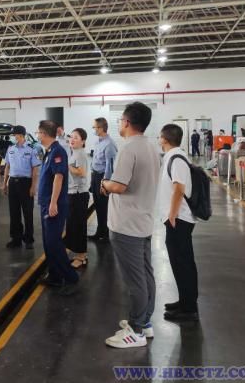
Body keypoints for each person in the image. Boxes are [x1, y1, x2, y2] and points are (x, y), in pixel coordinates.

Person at [101, 102, 160, 349]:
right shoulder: (151, 147)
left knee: (135, 280)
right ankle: (144, 322)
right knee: (146, 275)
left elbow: (119, 185)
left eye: (120, 120)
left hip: (126, 225)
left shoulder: (128, 149)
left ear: (126, 122)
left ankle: (135, 330)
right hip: (143, 221)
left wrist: (104, 184)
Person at [158, 124, 200, 322]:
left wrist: (173, 215)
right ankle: (184, 300)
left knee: (183, 262)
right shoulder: (173, 156)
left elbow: (179, 189)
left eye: (160, 136)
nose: (159, 139)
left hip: (179, 219)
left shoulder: (176, 159)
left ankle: (189, 308)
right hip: (176, 218)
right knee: (179, 262)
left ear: (164, 139)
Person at [36, 120, 79, 293]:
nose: (37, 135)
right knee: (48, 242)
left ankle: (70, 278)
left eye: (38, 132)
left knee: (54, 242)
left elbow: (58, 177)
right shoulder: (49, 151)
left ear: (44, 134)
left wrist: (53, 202)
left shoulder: (57, 151)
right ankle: (54, 275)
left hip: (53, 204)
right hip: (46, 203)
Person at [3, 125, 41, 249]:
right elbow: (7, 166)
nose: (13, 137)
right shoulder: (10, 149)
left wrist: (33, 186)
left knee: (28, 212)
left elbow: (35, 169)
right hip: (13, 183)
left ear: (21, 135)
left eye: (15, 135)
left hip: (26, 183)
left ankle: (29, 239)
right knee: (14, 212)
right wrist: (5, 183)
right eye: (13, 135)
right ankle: (16, 238)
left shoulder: (31, 149)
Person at [88, 118, 117, 242]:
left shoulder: (109, 144)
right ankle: (100, 231)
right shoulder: (98, 141)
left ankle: (105, 234)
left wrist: (105, 183)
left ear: (101, 128)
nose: (93, 129)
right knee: (98, 206)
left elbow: (110, 167)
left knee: (104, 207)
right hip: (95, 176)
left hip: (102, 178)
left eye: (94, 127)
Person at [66, 128, 90, 268]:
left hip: (79, 194)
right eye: (71, 136)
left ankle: (82, 257)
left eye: (76, 137)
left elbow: (81, 172)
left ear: (83, 141)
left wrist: (66, 166)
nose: (72, 139)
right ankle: (77, 252)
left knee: (79, 226)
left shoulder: (80, 153)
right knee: (73, 225)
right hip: (73, 193)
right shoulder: (74, 152)